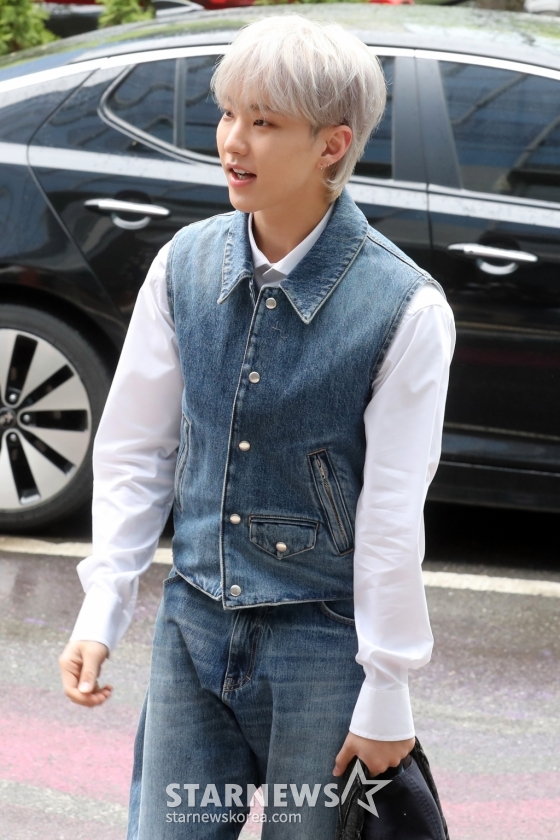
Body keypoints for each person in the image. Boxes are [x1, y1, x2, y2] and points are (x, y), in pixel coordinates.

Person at [58, 15, 455, 839]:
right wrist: (103, 607)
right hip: (192, 625)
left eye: (264, 122)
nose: (231, 141)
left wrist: (387, 689)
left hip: (324, 647)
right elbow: (137, 450)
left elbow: (391, 513)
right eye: (228, 113)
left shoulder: (407, 308)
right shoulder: (184, 264)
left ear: (331, 145)